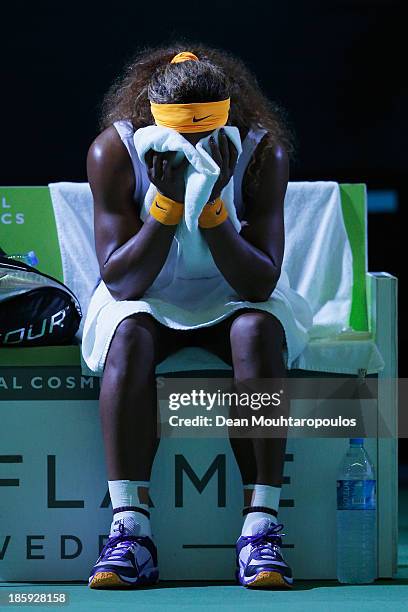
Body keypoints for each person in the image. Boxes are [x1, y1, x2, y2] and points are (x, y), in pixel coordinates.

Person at [83, 42, 304, 590]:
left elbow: (259, 281)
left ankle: (261, 527)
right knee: (128, 333)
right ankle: (129, 529)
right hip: (145, 294)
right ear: (151, 125)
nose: (195, 149)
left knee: (257, 329)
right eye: (181, 138)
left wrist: (211, 207)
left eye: (206, 137)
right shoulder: (115, 151)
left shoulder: (261, 153)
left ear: (229, 120)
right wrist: (165, 203)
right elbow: (121, 279)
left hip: (236, 296)